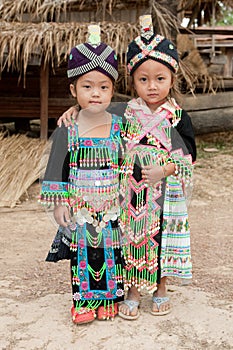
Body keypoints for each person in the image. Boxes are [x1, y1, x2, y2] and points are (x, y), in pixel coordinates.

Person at [57, 15, 196, 320]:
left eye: (160, 78)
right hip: (130, 194)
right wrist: (75, 110)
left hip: (165, 194)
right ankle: (131, 292)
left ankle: (161, 289)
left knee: (160, 242)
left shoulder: (177, 117)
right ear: (132, 80)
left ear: (172, 78)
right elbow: (96, 113)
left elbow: (189, 155)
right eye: (143, 79)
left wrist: (165, 170)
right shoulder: (126, 113)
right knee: (130, 241)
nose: (152, 86)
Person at [39, 25, 124, 325]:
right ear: (74, 90)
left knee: (110, 252)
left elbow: (129, 162)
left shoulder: (119, 126)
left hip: (111, 203)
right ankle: (82, 301)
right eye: (87, 87)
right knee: (82, 254)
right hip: (80, 204)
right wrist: (59, 202)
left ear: (113, 90)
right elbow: (57, 165)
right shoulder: (68, 127)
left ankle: (109, 298)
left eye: (103, 87)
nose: (96, 94)